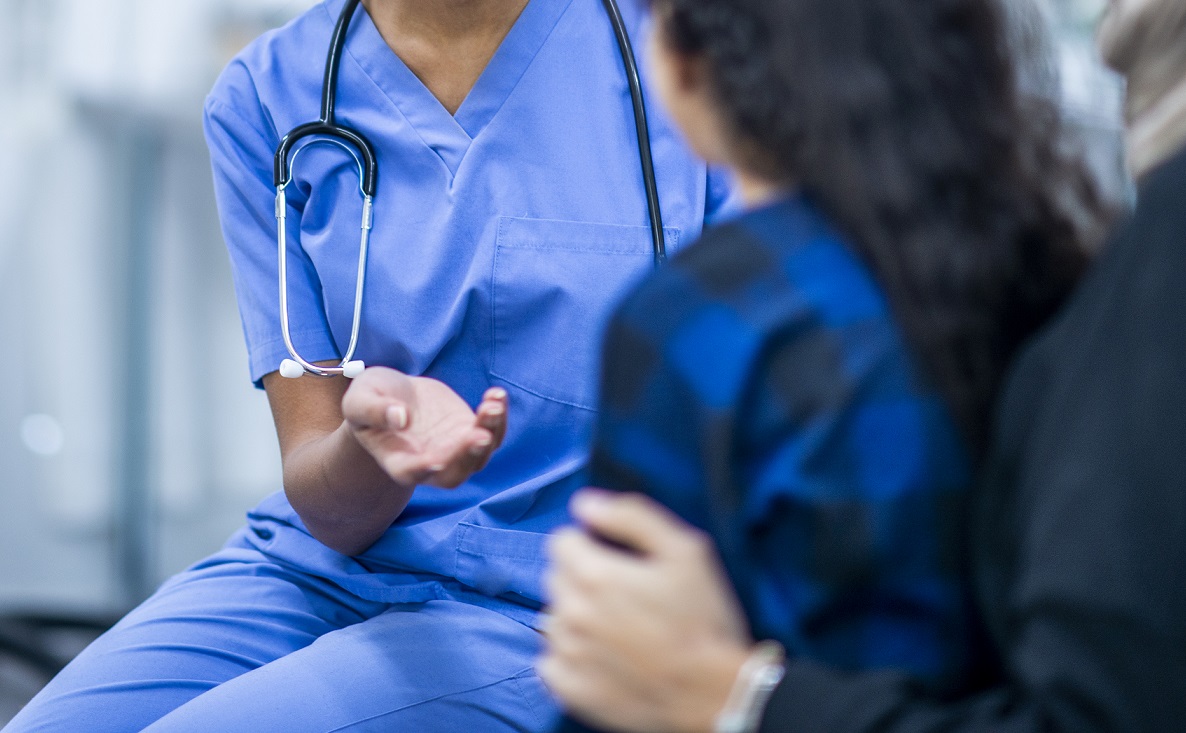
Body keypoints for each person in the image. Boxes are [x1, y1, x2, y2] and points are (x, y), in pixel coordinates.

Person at [2, 0, 737, 731]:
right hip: (321, 568)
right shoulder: (269, 94)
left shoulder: (687, 57)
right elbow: (327, 508)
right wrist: (373, 443)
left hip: (562, 599)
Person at [540, 0, 1186, 731]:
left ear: (683, 64)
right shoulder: (1047, 270)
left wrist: (738, 700)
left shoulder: (696, 319)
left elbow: (617, 678)